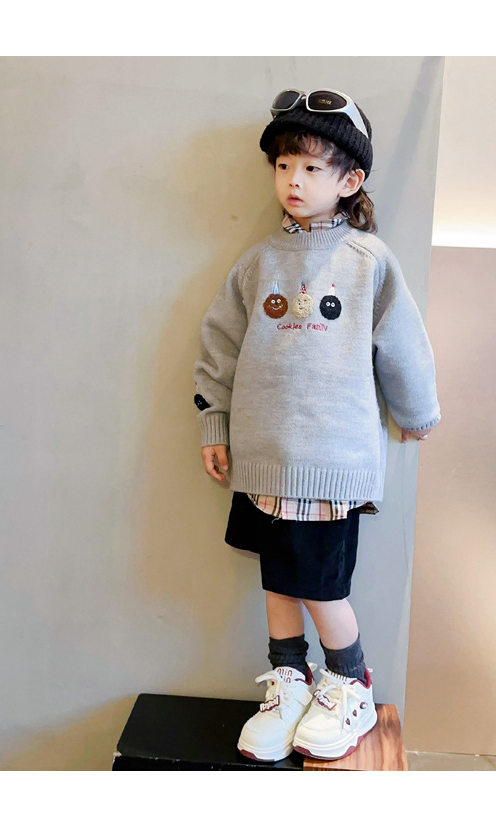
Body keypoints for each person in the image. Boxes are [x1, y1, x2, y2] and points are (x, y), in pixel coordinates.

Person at [192, 88, 440, 762]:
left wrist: (417, 411)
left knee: (322, 588)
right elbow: (219, 348)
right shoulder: (257, 262)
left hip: (330, 465)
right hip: (261, 460)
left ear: (349, 180)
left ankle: (349, 684)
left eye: (310, 167)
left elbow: (403, 343)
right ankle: (290, 685)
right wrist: (215, 423)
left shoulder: (368, 260)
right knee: (277, 580)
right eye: (282, 166)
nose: (292, 180)